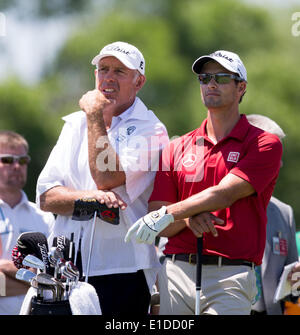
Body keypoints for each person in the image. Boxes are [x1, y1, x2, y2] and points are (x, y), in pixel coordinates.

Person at [125, 50, 283, 315]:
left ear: (240, 87)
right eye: (205, 77)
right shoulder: (175, 148)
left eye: (221, 78)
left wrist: (169, 213)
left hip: (230, 275)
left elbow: (225, 194)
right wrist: (187, 219)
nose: (211, 83)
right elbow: (159, 221)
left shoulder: (264, 143)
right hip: (176, 272)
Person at [36, 41, 168, 315]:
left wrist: (95, 115)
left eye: (119, 71)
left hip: (124, 269)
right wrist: (89, 200)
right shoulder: (74, 124)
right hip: (66, 268)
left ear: (138, 82)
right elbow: (47, 198)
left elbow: (107, 179)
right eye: (102, 69)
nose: (107, 77)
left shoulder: (152, 129)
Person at [245, 114, 299, 315]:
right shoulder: (213, 202)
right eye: (273, 154)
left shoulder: (284, 213)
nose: (281, 164)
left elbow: (293, 290)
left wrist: (296, 281)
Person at [0, 130, 54, 315]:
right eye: (7, 160)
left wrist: (6, 267)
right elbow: (47, 284)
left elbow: (53, 276)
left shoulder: (44, 216)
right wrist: (37, 284)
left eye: (22, 160)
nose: (16, 166)